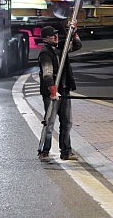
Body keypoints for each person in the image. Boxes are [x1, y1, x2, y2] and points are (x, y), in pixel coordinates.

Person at [37, 23, 82, 162]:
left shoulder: (61, 49)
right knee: (50, 124)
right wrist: (52, 90)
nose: (56, 37)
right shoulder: (45, 53)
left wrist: (74, 33)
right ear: (45, 39)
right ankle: (45, 151)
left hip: (64, 90)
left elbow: (77, 45)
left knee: (67, 122)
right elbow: (47, 74)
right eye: (52, 36)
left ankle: (66, 151)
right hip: (53, 94)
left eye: (56, 34)